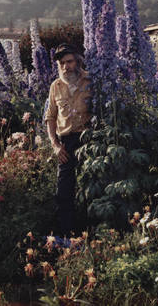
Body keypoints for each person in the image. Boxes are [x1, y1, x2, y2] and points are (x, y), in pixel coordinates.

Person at [44, 43, 91, 236]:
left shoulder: (90, 81)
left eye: (69, 61)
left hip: (89, 139)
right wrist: (55, 145)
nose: (65, 67)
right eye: (62, 63)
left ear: (78, 61)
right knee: (63, 191)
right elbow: (50, 118)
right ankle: (67, 235)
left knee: (91, 187)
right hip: (66, 143)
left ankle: (93, 231)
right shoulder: (56, 86)